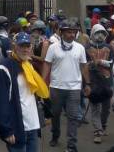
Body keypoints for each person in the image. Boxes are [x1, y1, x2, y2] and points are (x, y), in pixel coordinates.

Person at [0, 32, 49, 152]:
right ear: (14, 47)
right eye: (21, 46)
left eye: (27, 46)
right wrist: (6, 130)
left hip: (32, 126)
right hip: (17, 127)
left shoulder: (28, 66)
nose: (25, 49)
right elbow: (0, 102)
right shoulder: (4, 68)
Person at [42, 19, 91, 151]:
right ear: (62, 32)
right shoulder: (53, 47)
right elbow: (47, 64)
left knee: (73, 117)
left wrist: (88, 83)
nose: (71, 35)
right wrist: (42, 81)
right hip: (56, 87)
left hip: (74, 88)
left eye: (74, 32)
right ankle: (55, 135)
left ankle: (71, 144)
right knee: (55, 114)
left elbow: (84, 65)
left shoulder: (80, 48)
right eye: (68, 32)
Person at [86, 24, 114, 144]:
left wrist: (103, 62)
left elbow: (113, 63)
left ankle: (103, 125)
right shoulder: (86, 48)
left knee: (106, 108)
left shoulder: (109, 47)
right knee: (95, 107)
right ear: (92, 34)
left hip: (107, 81)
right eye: (97, 32)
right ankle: (97, 131)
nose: (100, 35)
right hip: (92, 81)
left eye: (103, 33)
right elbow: (83, 65)